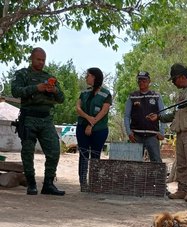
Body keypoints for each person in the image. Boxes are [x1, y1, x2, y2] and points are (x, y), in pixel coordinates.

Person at [147, 63, 187, 203]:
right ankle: (182, 190)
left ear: (182, 77)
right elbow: (175, 115)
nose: (174, 83)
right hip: (180, 131)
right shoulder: (181, 94)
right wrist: (158, 117)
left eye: (174, 79)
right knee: (181, 163)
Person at [11, 47, 65, 196]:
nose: (41, 62)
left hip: (46, 118)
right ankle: (31, 184)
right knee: (28, 151)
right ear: (32, 59)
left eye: (43, 60)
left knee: (54, 150)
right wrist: (37, 88)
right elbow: (16, 91)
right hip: (29, 117)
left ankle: (48, 184)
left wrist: (53, 90)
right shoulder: (22, 74)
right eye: (38, 59)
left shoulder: (49, 77)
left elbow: (61, 98)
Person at [76, 67, 112, 190]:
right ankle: (83, 182)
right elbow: (78, 108)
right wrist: (88, 118)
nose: (86, 77)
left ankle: (94, 182)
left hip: (99, 129)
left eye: (88, 75)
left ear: (95, 77)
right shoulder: (84, 93)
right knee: (83, 154)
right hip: (82, 127)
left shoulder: (106, 94)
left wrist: (92, 124)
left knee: (96, 156)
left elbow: (104, 111)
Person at [124, 71, 165, 162]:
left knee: (156, 162)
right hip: (136, 136)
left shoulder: (156, 96)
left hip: (153, 136)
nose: (141, 82)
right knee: (134, 162)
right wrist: (129, 132)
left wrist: (162, 132)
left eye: (144, 80)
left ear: (149, 81)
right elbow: (126, 116)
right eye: (139, 80)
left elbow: (162, 114)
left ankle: (156, 177)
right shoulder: (132, 96)